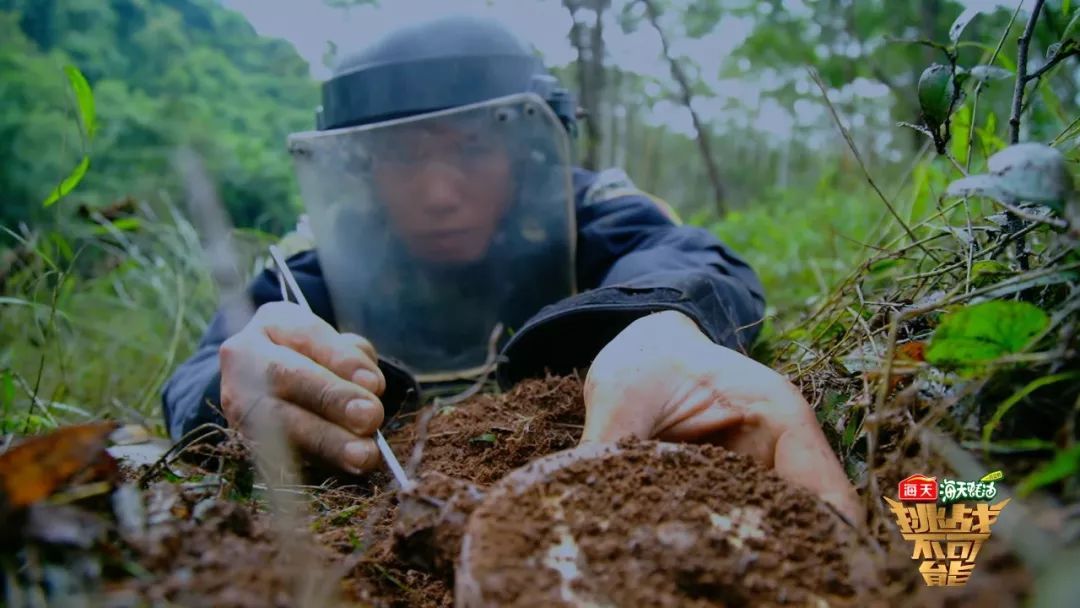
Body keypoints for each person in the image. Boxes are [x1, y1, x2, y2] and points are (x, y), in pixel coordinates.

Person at [162, 15, 861, 523]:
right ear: (364, 171)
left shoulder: (586, 209)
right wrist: (242, 384)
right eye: (404, 155)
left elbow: (690, 257)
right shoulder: (324, 262)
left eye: (470, 147)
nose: (439, 191)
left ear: (526, 149)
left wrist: (661, 324)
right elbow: (213, 362)